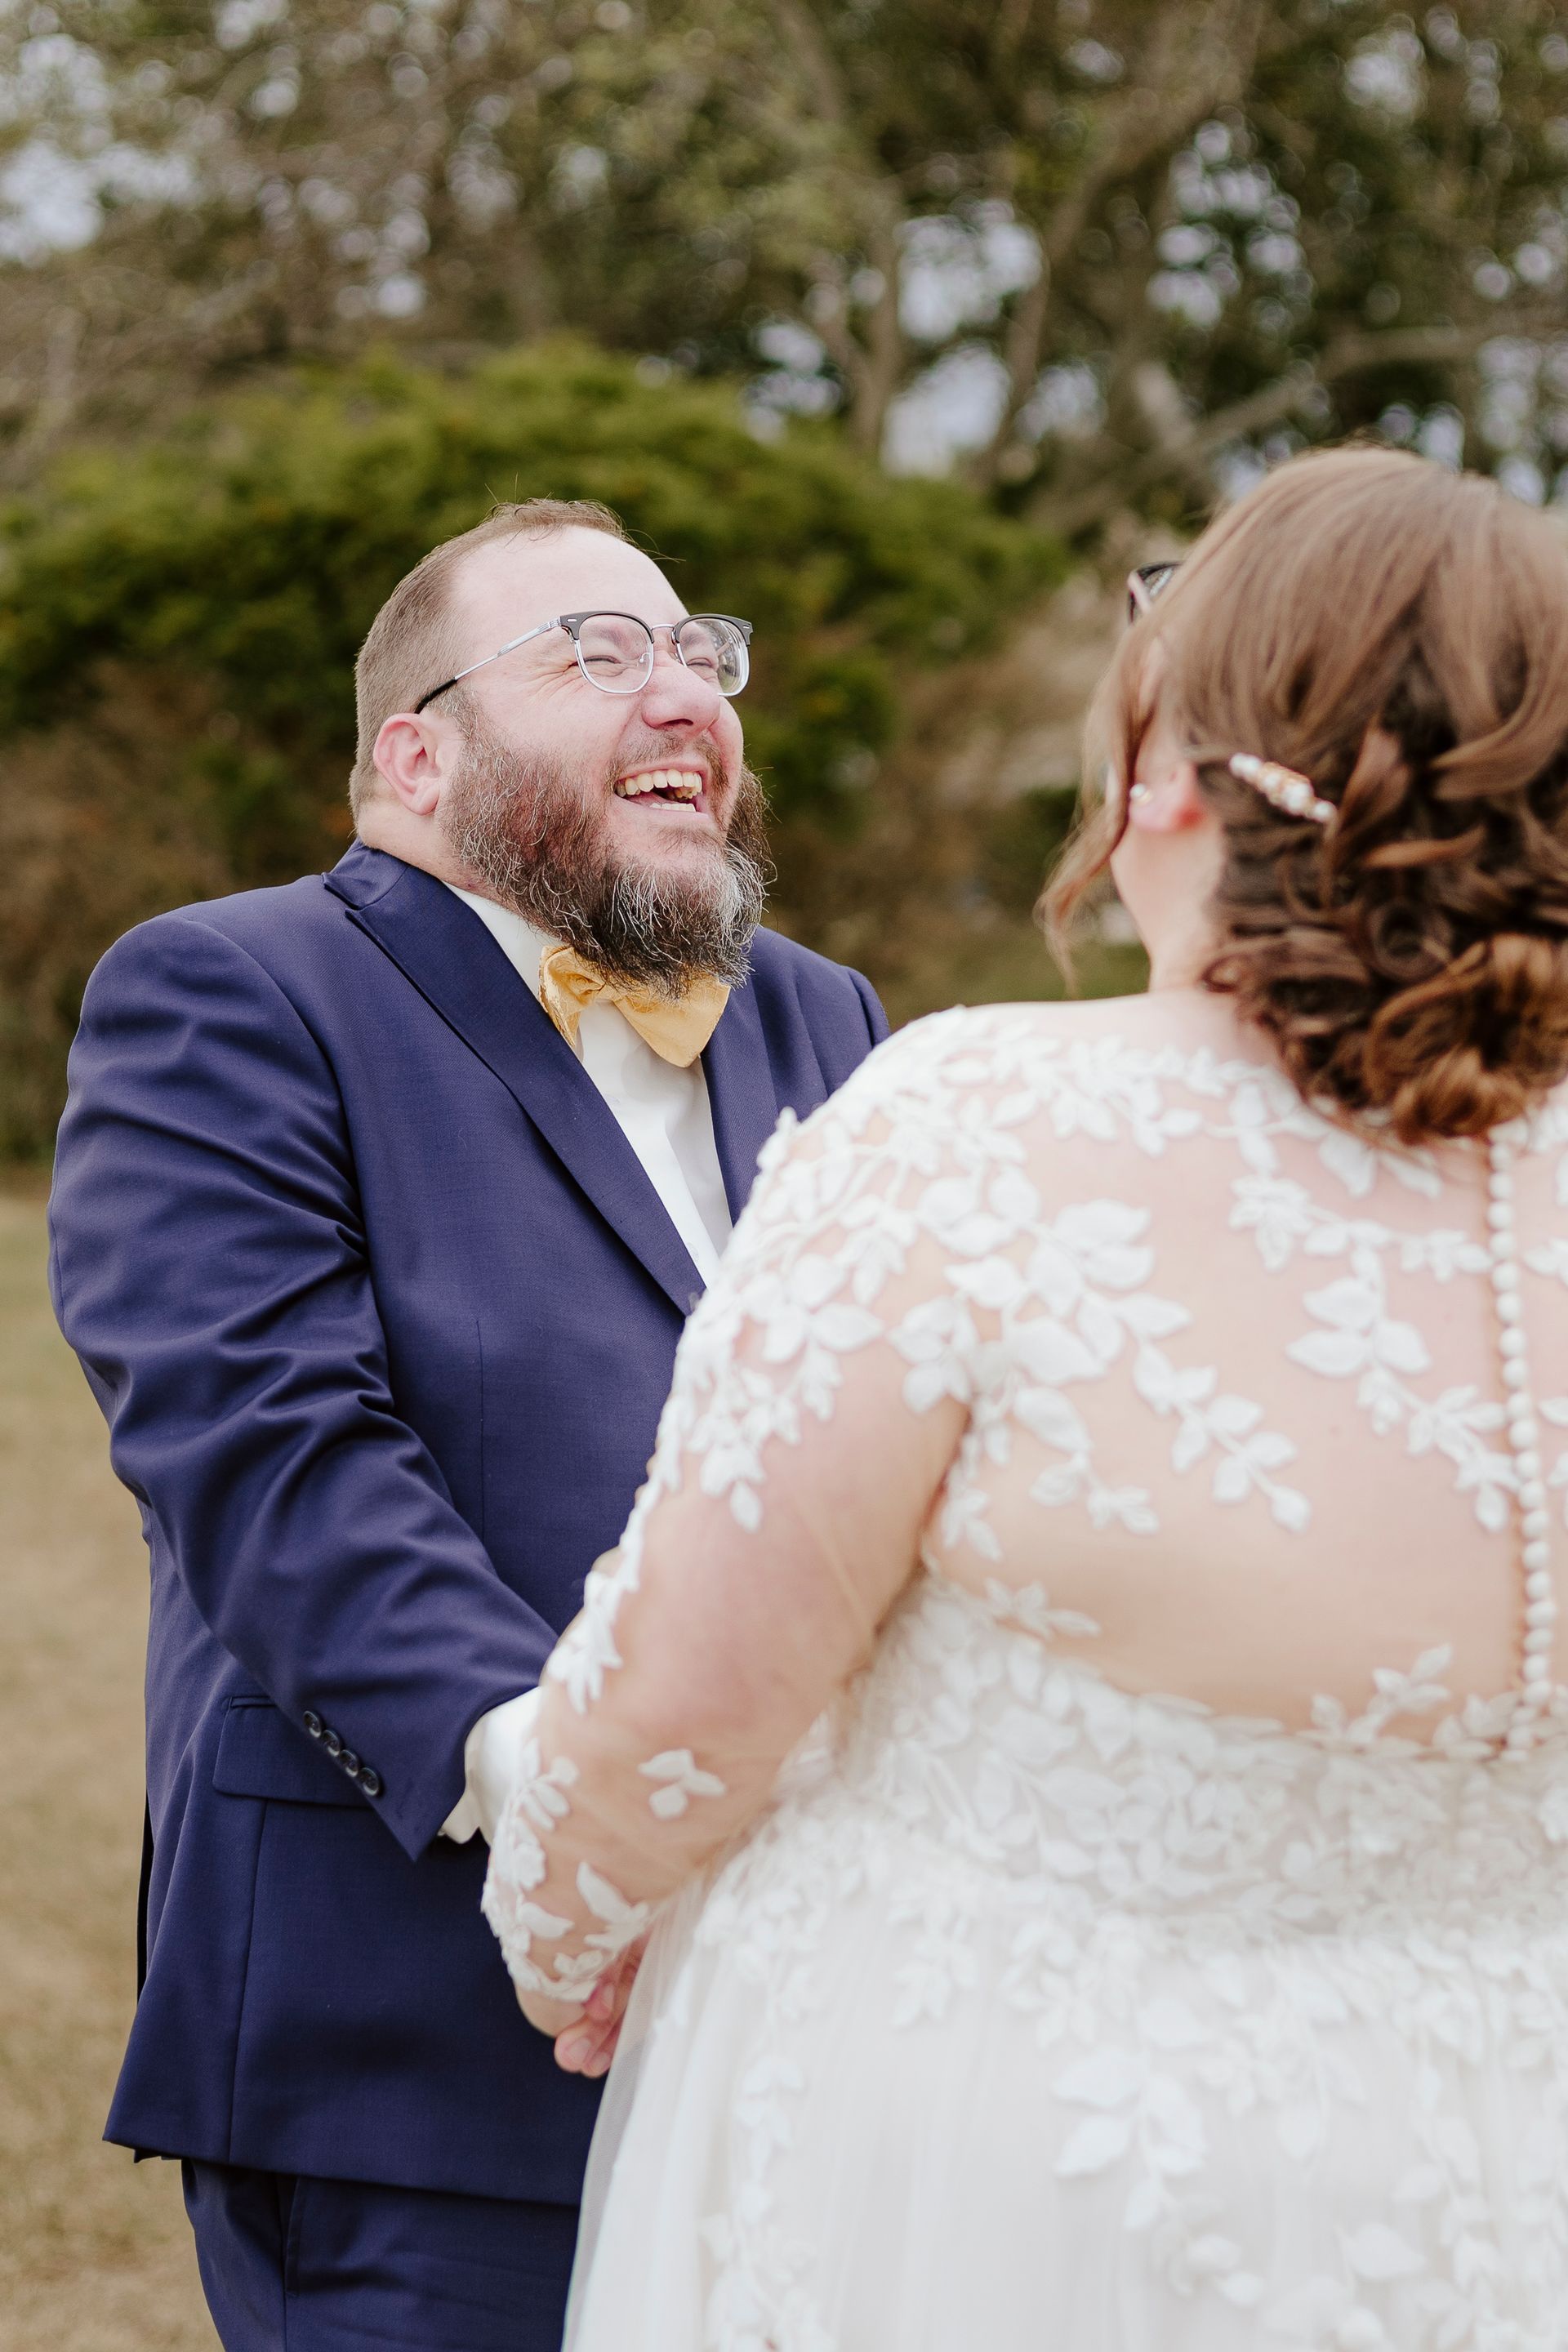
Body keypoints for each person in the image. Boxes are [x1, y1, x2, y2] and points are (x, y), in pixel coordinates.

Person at [482, 447, 1568, 2350]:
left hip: (992, 2177)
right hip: (1494, 2171)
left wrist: (568, 1928)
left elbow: (687, 1700)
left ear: (1168, 766)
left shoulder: (978, 1130)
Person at [47, 497, 887, 2351]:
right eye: (596, 652)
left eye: (700, 651)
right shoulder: (233, 991)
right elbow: (274, 1456)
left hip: (814, 2030)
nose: (681, 692)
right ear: (413, 754)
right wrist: (574, 1812)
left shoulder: (824, 1022)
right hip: (417, 2037)